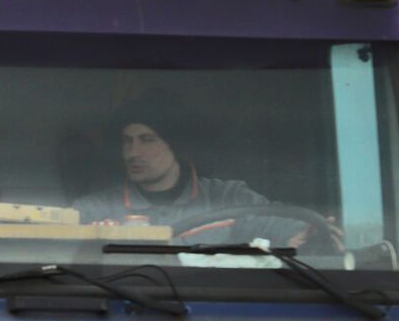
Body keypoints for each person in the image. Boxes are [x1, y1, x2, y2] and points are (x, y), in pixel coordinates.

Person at [73, 91, 270, 233]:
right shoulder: (95, 209)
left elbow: (286, 228)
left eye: (147, 140)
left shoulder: (229, 198)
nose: (133, 153)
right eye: (127, 141)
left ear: (175, 145)